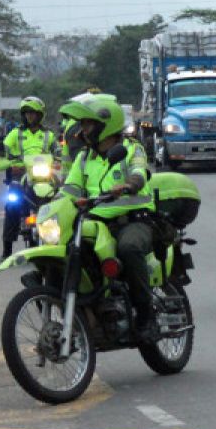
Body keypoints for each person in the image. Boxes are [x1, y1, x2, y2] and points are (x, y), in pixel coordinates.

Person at [58, 92, 158, 343]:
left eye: (88, 124)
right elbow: (68, 190)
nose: (83, 130)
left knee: (129, 248)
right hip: (95, 223)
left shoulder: (131, 148)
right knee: (69, 252)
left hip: (133, 220)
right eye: (82, 125)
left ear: (106, 124)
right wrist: (51, 203)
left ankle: (147, 317)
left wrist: (129, 184)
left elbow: (140, 170)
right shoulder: (84, 158)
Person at [0, 97, 57, 259]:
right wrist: (9, 161)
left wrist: (60, 161)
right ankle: (7, 249)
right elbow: (4, 150)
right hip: (21, 175)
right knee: (12, 204)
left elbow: (58, 153)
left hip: (42, 176)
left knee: (54, 203)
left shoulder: (48, 135)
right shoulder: (15, 133)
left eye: (34, 113)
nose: (30, 116)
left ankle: (53, 242)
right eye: (27, 113)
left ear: (40, 115)